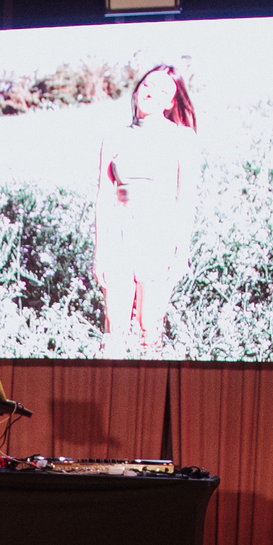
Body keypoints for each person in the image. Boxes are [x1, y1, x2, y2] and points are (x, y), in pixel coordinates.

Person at [95, 64, 199, 359]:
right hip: (119, 236)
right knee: (114, 330)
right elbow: (104, 197)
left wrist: (180, 254)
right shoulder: (114, 137)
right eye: (148, 85)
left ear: (171, 103)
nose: (152, 93)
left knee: (148, 328)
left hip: (159, 238)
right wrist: (100, 253)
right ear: (138, 89)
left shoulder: (183, 138)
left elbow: (186, 199)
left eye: (163, 91)